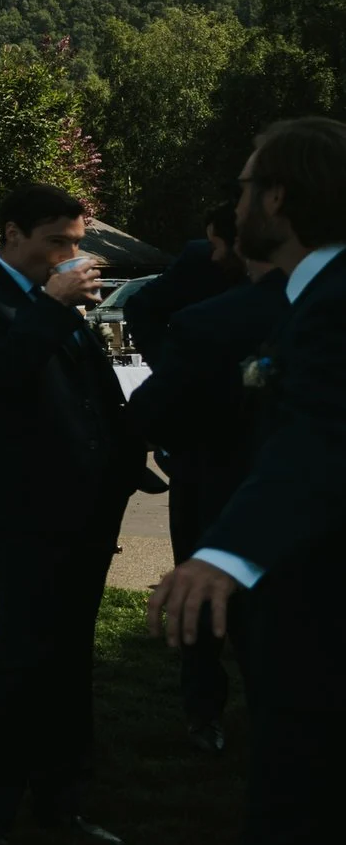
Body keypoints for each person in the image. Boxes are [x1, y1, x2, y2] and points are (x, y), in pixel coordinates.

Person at [150, 117, 346, 845]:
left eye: (242, 184)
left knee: (296, 840)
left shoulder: (333, 304)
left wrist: (224, 554)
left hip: (320, 616)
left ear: (278, 196)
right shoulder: (311, 299)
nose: (233, 204)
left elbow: (322, 435)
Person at [0, 181, 137, 845]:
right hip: (22, 503)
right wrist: (53, 306)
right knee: (22, 656)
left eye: (76, 243)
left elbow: (87, 386)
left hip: (85, 499)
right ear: (13, 231)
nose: (69, 253)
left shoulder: (56, 297)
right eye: (58, 239)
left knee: (71, 655)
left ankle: (63, 799)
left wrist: (129, 451)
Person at [126, 248, 286, 753]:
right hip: (213, 464)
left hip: (242, 466)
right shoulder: (202, 289)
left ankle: (261, 714)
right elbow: (144, 310)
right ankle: (207, 710)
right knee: (208, 599)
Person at [123, 201, 243, 363]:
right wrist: (169, 366)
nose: (214, 254)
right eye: (212, 245)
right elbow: (139, 306)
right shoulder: (200, 259)